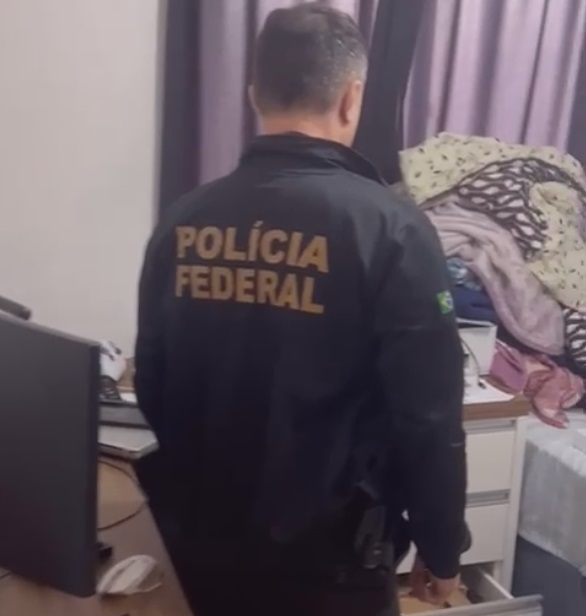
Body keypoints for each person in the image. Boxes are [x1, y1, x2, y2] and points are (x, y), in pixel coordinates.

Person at [134, 4, 466, 615]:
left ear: (254, 93)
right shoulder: (392, 230)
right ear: (352, 97)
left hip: (201, 551)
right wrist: (443, 548)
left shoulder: (182, 221)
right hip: (331, 566)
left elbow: (152, 382)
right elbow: (429, 419)